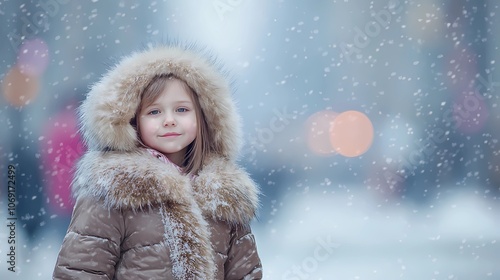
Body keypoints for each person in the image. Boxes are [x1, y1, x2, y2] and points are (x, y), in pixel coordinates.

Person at [52, 45, 263, 279]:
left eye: (182, 109)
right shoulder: (113, 192)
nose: (169, 120)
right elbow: (81, 271)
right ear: (132, 121)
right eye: (154, 112)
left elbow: (245, 272)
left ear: (203, 118)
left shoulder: (224, 197)